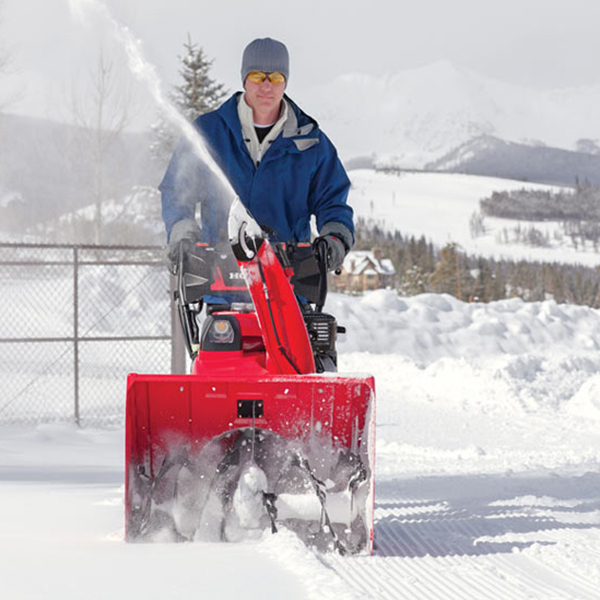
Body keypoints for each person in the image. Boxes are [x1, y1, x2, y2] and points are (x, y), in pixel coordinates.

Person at [160, 37, 353, 274]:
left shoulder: (310, 142)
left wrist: (335, 238)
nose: (266, 86)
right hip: (220, 275)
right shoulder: (209, 133)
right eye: (257, 76)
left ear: (285, 82)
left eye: (276, 78)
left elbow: (332, 201)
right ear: (244, 79)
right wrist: (182, 233)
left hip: (288, 278)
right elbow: (177, 190)